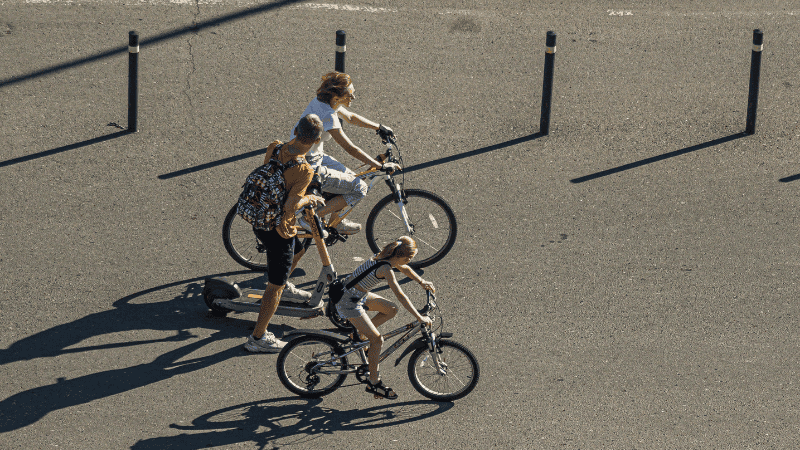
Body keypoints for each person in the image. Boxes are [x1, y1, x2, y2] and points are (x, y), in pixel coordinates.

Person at [244, 114, 326, 353]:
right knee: (274, 286)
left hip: (258, 217)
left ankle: (284, 285)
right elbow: (290, 207)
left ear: (295, 130)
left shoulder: (275, 146)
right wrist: (310, 197)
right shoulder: (304, 170)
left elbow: (271, 178)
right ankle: (257, 337)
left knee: (299, 249)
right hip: (279, 229)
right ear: (317, 139)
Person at [290, 71, 401, 235]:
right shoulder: (328, 115)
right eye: (350, 94)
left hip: (309, 156)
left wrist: (379, 127)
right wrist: (379, 165)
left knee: (352, 177)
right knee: (359, 188)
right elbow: (350, 148)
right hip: (309, 166)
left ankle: (336, 221)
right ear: (337, 97)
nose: (354, 97)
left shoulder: (324, 103)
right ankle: (310, 218)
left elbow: (351, 117)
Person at [337, 236, 435, 399]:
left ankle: (362, 336)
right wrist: (419, 317)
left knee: (391, 309)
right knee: (377, 340)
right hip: (349, 302)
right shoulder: (386, 269)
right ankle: (374, 383)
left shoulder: (384, 255)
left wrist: (421, 281)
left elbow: (404, 268)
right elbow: (400, 295)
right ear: (404, 256)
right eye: (409, 259)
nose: (408, 262)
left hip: (354, 294)